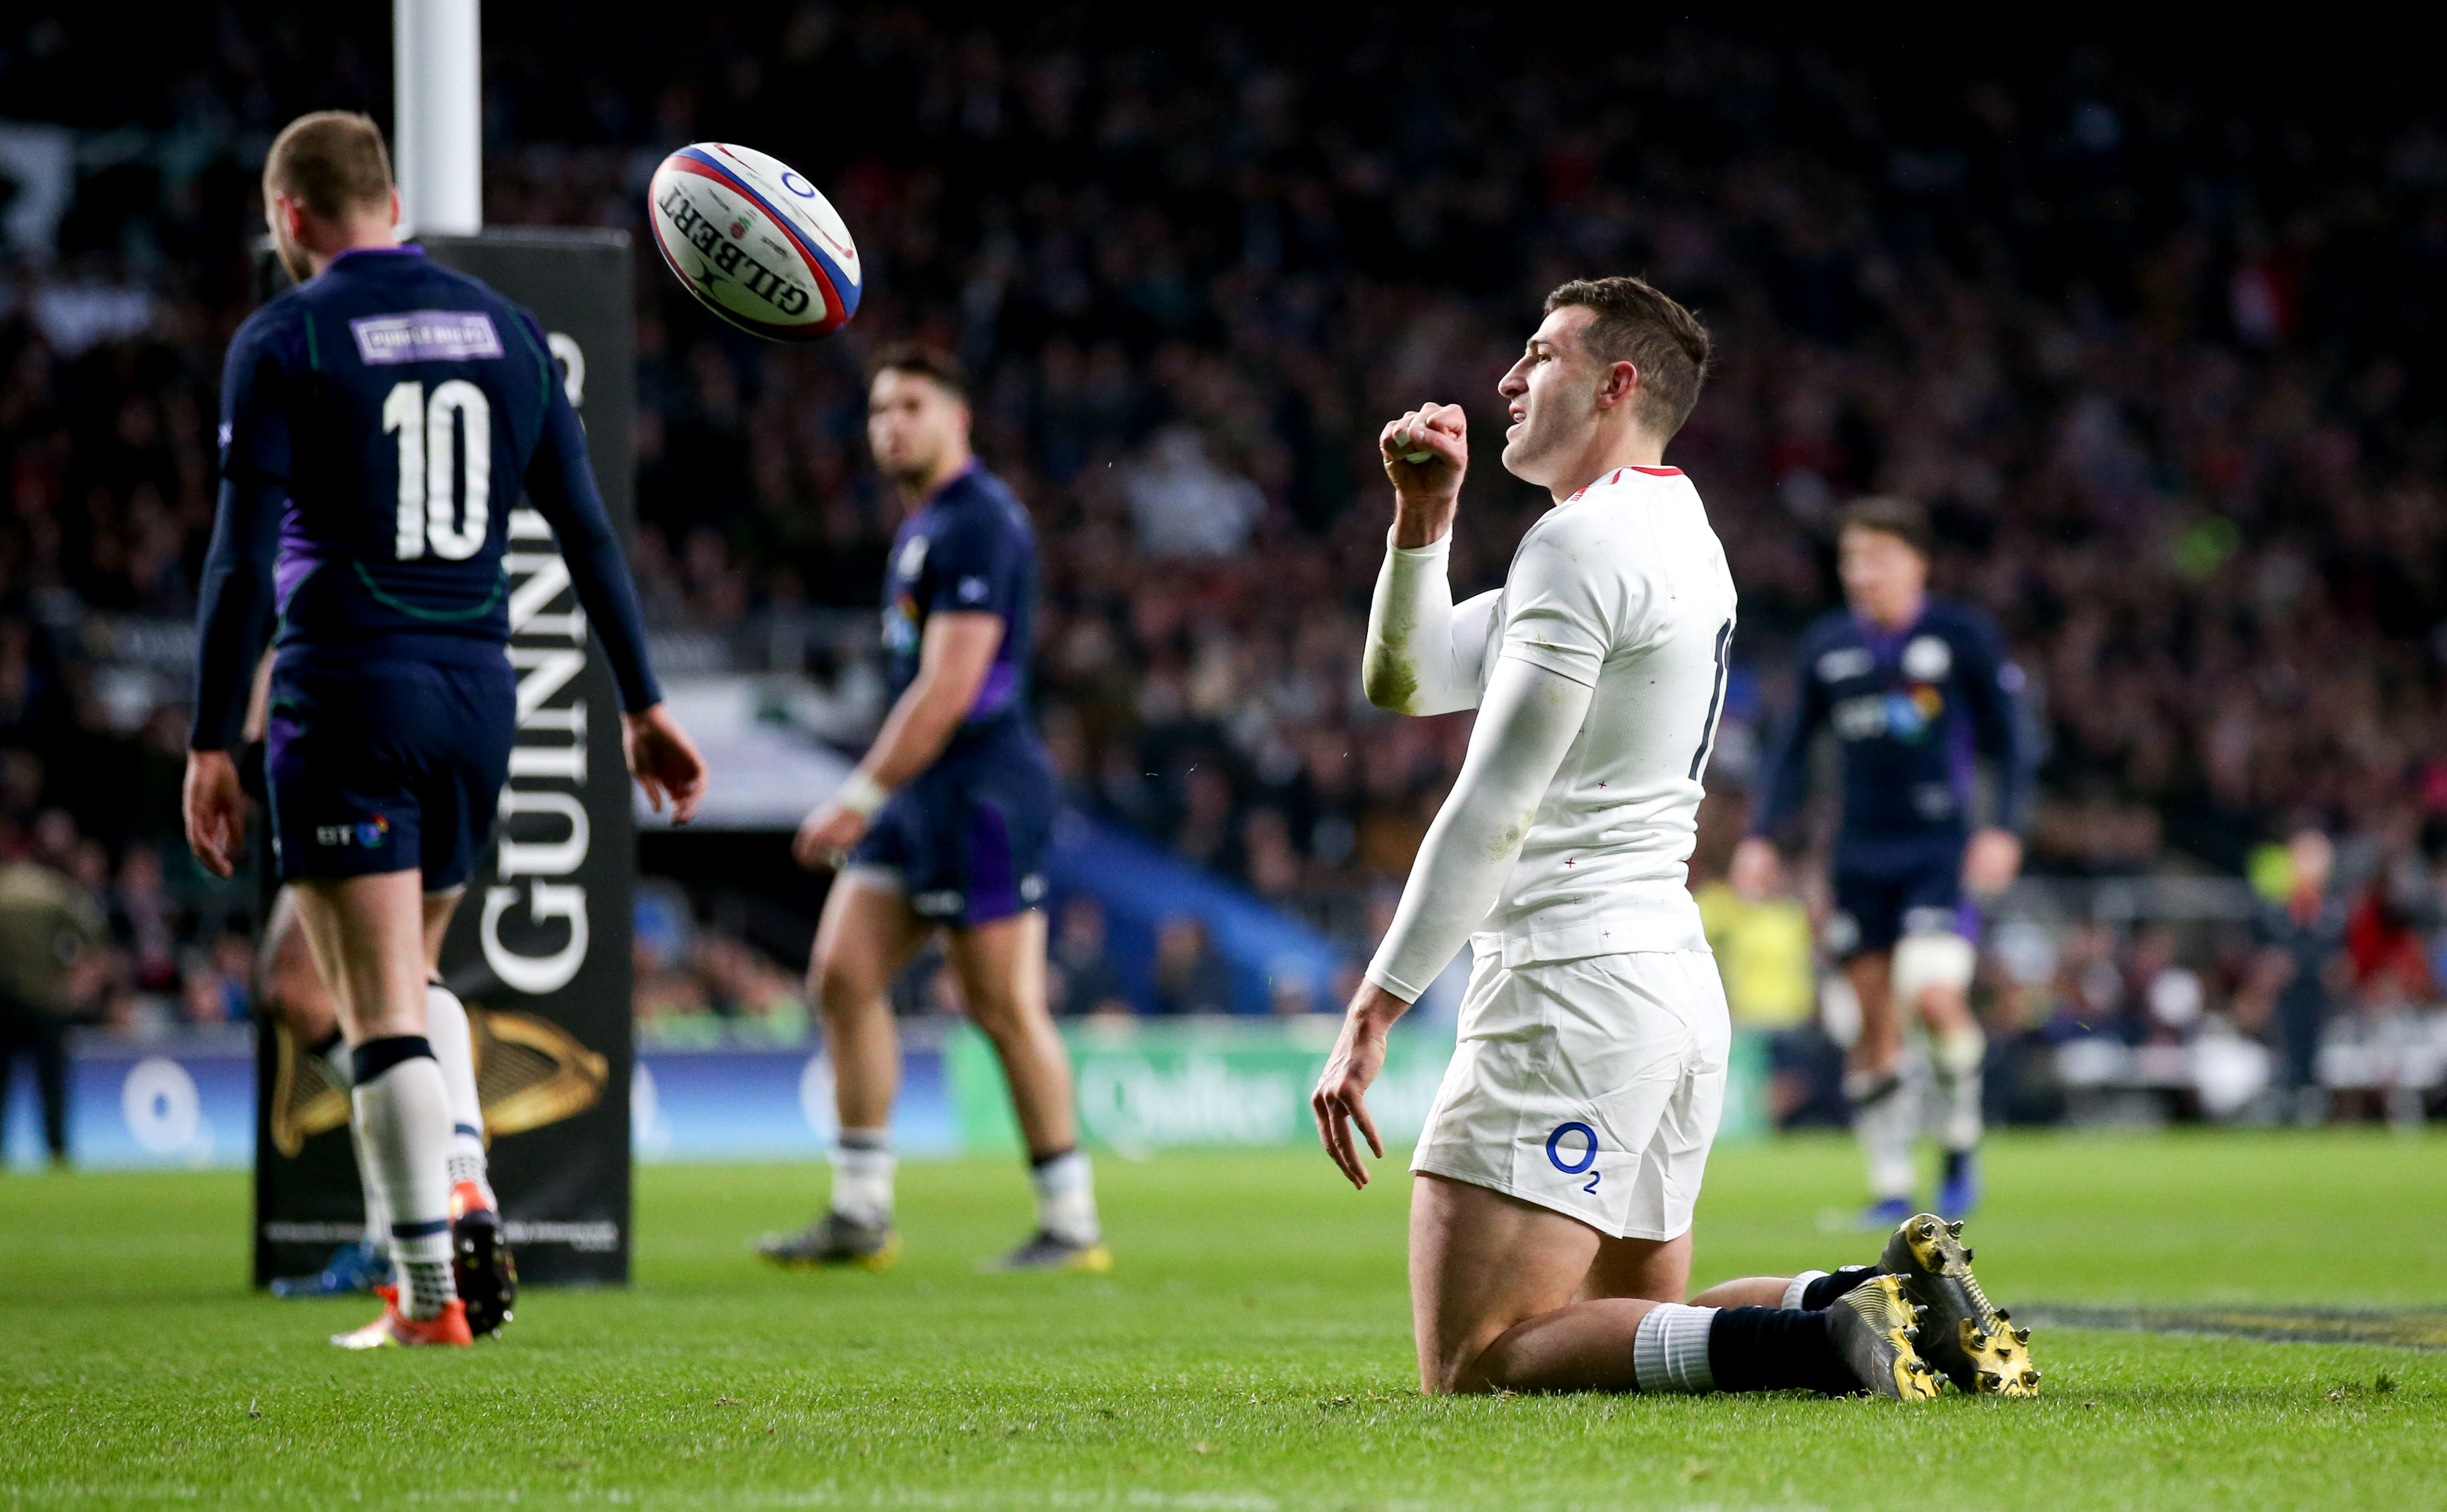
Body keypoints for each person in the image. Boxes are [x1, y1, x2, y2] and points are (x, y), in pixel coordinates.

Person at [1309, 276, 2038, 1400]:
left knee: (1477, 1358)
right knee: (1619, 1327)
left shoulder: (1582, 549)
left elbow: (1494, 803)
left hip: (1571, 982)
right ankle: (1875, 1293)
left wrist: (1378, 1002)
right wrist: (1424, 519)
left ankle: (1815, 1347)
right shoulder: (1669, 528)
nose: (1504, 381)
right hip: (1664, 985)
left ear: (1615, 384)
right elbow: (1405, 679)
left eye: (1538, 355)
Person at [183, 112, 705, 1348]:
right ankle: (462, 1174)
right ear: (391, 200)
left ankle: (429, 1292)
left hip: (348, 686)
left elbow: (239, 561)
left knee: (374, 1008)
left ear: (291, 215)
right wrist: (643, 702)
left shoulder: (284, 335)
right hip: (480, 692)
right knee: (410, 979)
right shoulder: (511, 333)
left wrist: (212, 738)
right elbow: (585, 534)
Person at [757, 346, 1106, 1274]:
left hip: (984, 792)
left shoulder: (979, 524)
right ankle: (860, 1210)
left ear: (961, 420)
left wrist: (857, 794)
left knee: (1000, 1005)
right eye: (878, 410)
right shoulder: (925, 527)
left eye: (911, 404)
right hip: (924, 795)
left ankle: (1070, 1222)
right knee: (840, 975)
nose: (891, 425)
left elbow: (949, 689)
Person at [1731, 496, 2035, 1224]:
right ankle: (1893, 1184)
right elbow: (1790, 750)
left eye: (1877, 557)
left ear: (1915, 563)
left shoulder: (1959, 636)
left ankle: (1959, 1144)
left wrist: (2002, 827)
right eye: (1850, 560)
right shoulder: (1829, 647)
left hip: (1936, 850)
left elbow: (2013, 741)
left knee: (1931, 993)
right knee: (1870, 1019)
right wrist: (1762, 834)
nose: (1861, 573)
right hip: (1857, 856)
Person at [0, 850, 105, 1169]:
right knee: (53, 1085)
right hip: (47, 1002)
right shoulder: (54, 892)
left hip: (3, 1002)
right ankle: (57, 1151)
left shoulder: (4, 891)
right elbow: (95, 931)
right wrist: (77, 982)